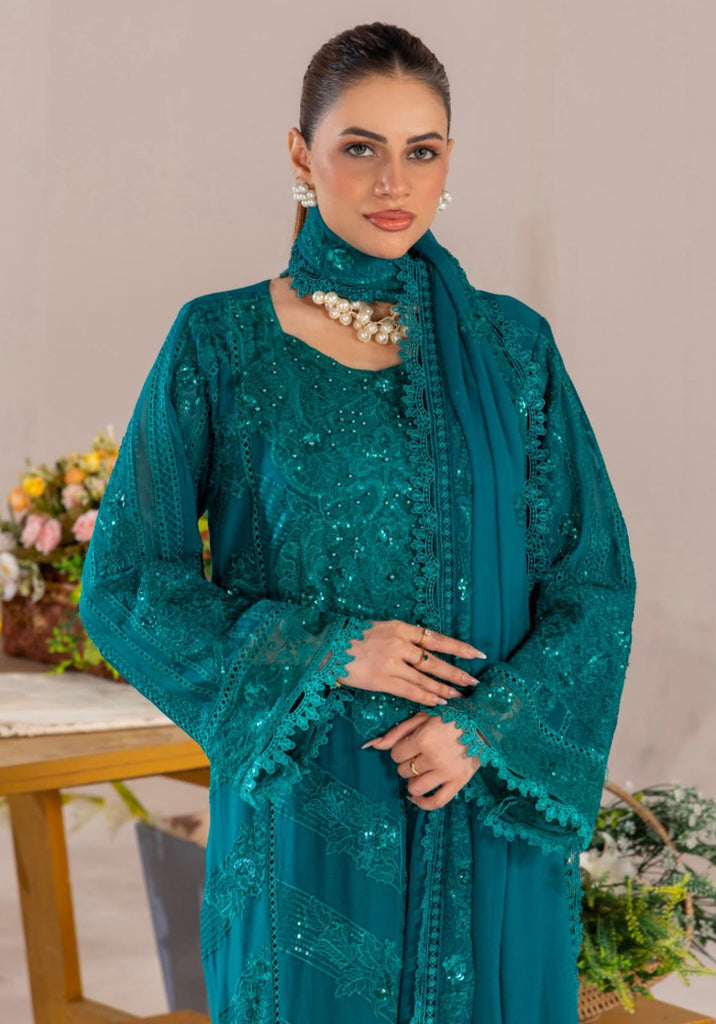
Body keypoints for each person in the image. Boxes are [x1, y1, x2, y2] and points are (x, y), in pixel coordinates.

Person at [79, 21, 637, 1024]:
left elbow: (589, 581)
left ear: (449, 161)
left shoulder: (513, 350)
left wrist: (485, 731)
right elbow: (125, 584)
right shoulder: (222, 342)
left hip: (474, 798)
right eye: (360, 147)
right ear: (301, 155)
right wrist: (329, 648)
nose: (393, 182)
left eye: (421, 151)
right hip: (305, 814)